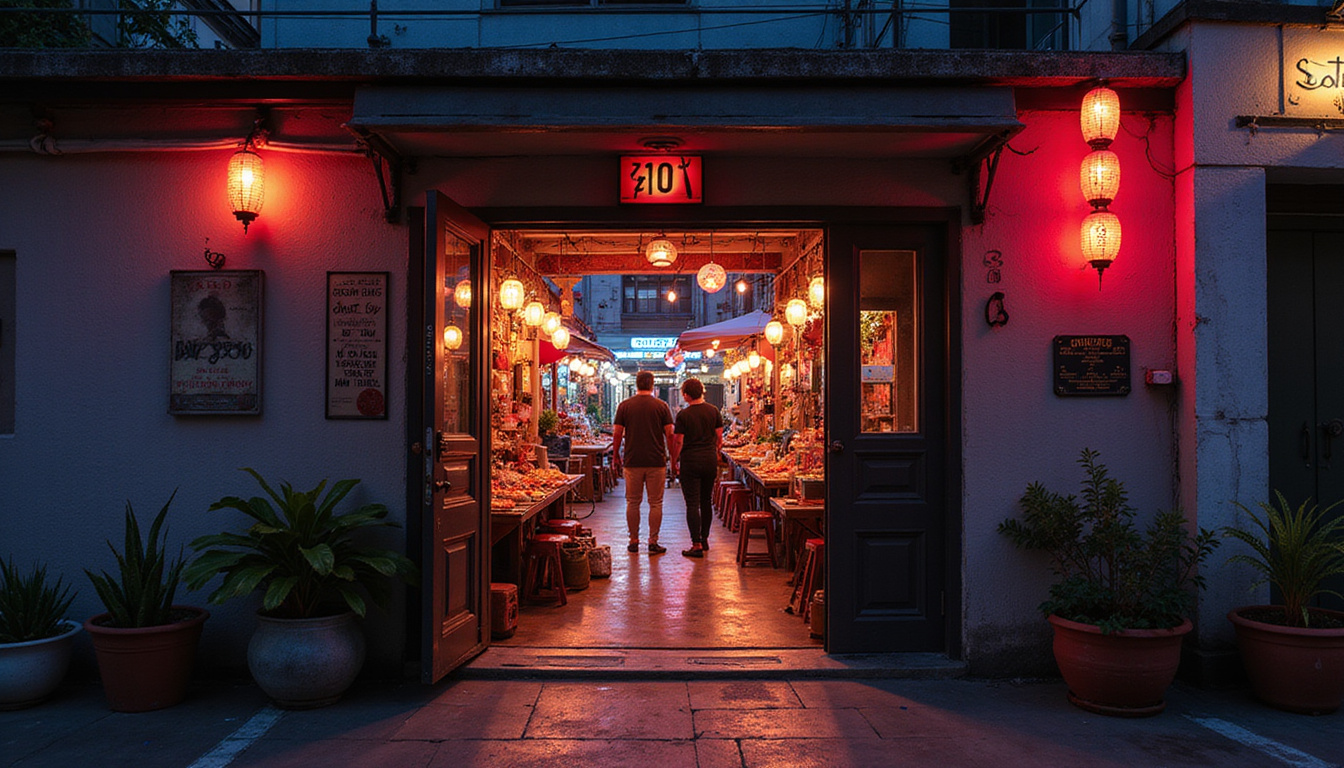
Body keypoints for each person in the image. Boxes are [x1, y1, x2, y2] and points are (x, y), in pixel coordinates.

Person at [611, 370, 674, 555]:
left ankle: (633, 540)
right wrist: (673, 457)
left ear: (636, 384)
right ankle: (653, 541)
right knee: (656, 503)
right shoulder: (662, 406)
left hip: (632, 460)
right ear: (652, 385)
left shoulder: (624, 406)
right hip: (656, 460)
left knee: (632, 502)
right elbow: (670, 434)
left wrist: (615, 455)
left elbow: (617, 433)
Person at [669, 378, 723, 558]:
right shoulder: (713, 411)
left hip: (690, 461)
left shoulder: (683, 415)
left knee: (692, 503)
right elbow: (719, 437)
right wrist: (715, 451)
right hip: (709, 460)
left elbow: (678, 441)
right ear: (702, 392)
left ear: (686, 395)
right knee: (706, 501)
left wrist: (673, 461)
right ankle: (705, 538)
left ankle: (696, 543)